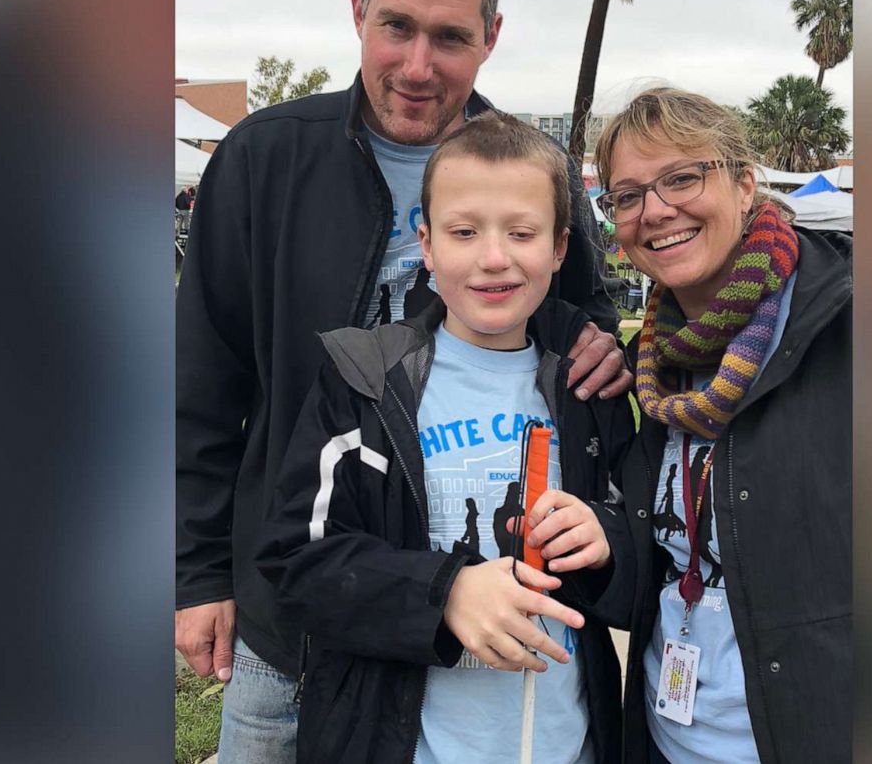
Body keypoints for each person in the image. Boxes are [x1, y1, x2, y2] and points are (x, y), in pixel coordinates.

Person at [175, 0, 630, 764]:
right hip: (292, 611)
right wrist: (196, 574)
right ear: (358, 10)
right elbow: (201, 381)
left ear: (492, 34)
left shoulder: (534, 173)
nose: (418, 65)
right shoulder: (264, 159)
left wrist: (599, 343)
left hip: (481, 628)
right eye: (397, 27)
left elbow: (579, 315)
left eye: (451, 37)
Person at [257, 113, 635, 763]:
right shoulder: (365, 381)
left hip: (564, 743)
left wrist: (610, 540)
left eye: (521, 232)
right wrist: (445, 592)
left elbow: (650, 540)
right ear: (427, 246)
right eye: (464, 232)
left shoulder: (588, 388)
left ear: (559, 247)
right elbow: (295, 564)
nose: (494, 257)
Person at [589, 88, 851, 763]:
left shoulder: (848, 327)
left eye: (682, 177)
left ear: (744, 185)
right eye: (626, 195)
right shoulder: (642, 365)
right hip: (668, 740)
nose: (655, 211)